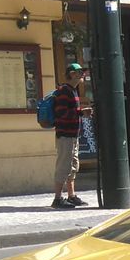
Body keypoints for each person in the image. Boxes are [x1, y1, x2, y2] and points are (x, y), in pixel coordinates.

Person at [51, 63, 91, 209]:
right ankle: (57, 198)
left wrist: (81, 112)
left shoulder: (72, 91)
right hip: (65, 135)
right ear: (72, 74)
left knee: (73, 165)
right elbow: (61, 113)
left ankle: (71, 195)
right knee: (63, 166)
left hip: (72, 135)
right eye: (80, 72)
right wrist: (81, 113)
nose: (82, 75)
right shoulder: (64, 91)